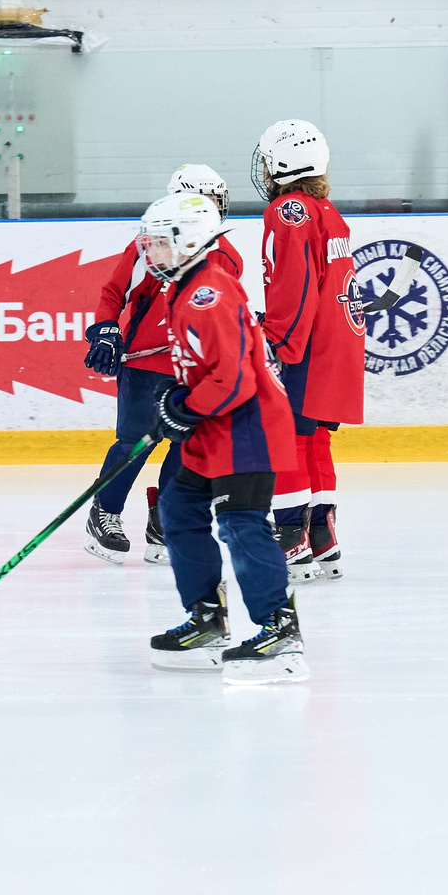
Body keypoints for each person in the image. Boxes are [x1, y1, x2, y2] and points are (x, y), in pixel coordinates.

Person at [136, 191, 308, 683]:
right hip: (214, 428)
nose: (152, 253)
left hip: (246, 428)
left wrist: (184, 409)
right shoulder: (186, 287)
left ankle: (280, 631)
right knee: (178, 508)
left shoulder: (209, 292)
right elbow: (205, 365)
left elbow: (235, 381)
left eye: (159, 243)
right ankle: (207, 617)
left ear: (188, 240)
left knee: (241, 524)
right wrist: (176, 397)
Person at [82, 163, 238, 566]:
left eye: (214, 201)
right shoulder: (151, 244)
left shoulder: (228, 256)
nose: (212, 209)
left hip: (193, 368)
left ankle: (163, 519)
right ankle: (106, 512)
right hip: (146, 367)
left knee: (186, 447)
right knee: (134, 442)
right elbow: (115, 290)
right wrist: (104, 329)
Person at [253, 118, 364, 582]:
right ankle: (323, 536)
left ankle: (291, 539)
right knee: (315, 436)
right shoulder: (326, 210)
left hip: (308, 342)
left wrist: (278, 338)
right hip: (339, 339)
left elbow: (295, 286)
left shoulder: (289, 212)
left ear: (281, 164)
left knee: (289, 437)